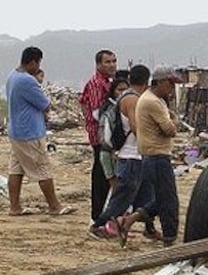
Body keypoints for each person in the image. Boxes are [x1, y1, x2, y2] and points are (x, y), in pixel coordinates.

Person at [4, 46, 74, 216]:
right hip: (29, 132)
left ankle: (15, 207)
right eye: (39, 62)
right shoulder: (27, 80)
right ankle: (54, 206)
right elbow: (45, 104)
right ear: (34, 61)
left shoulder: (12, 76)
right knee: (42, 168)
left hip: (16, 130)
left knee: (16, 169)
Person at [118, 65, 182, 247]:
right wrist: (174, 120)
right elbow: (170, 129)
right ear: (160, 82)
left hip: (152, 156)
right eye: (170, 84)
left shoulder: (153, 99)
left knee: (161, 198)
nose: (171, 88)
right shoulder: (152, 102)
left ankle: (129, 221)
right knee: (169, 201)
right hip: (156, 157)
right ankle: (170, 239)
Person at [89, 65, 148, 241]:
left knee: (139, 195)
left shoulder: (127, 97)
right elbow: (136, 128)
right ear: (146, 81)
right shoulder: (132, 99)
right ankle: (100, 224)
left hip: (130, 155)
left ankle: (142, 226)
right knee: (122, 197)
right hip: (131, 155)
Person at [79, 49, 118, 223]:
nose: (111, 65)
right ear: (98, 64)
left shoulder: (109, 83)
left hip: (107, 138)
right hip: (100, 138)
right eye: (107, 62)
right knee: (101, 178)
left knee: (108, 177)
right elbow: (96, 113)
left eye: (113, 61)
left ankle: (104, 216)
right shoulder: (96, 83)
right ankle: (97, 218)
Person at [98, 77, 131, 197]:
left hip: (119, 152)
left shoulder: (125, 106)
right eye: (120, 90)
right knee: (116, 188)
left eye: (126, 90)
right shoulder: (110, 109)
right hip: (110, 152)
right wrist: (113, 149)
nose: (123, 93)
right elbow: (104, 134)